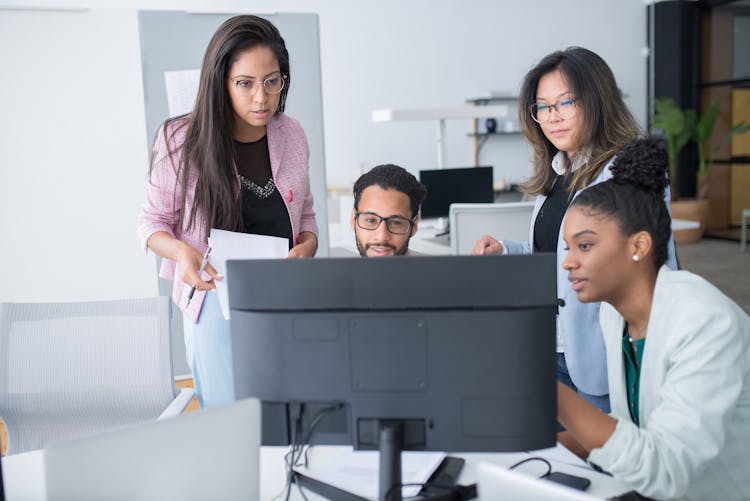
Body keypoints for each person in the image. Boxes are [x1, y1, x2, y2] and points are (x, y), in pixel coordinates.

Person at [472, 47, 677, 413]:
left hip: (602, 354)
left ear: (597, 101)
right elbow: (560, 253)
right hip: (553, 345)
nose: (552, 117)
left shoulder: (627, 172)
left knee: (606, 462)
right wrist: (508, 250)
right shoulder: (556, 171)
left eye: (566, 102)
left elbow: (657, 270)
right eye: (543, 107)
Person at [137, 15, 318, 408]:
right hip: (214, 303)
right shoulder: (180, 139)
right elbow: (151, 224)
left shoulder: (292, 133)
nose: (261, 98)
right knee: (230, 423)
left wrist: (309, 244)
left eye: (273, 81)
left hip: (283, 299)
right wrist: (182, 254)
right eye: (246, 83)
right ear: (221, 82)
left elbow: (304, 214)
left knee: (292, 420)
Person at [558, 137, 750, 500]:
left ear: (638, 246)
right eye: (568, 248)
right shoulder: (613, 316)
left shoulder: (705, 321)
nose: (568, 261)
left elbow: (667, 469)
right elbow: (629, 429)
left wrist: (549, 395)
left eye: (584, 245)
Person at [351, 164, 427, 257]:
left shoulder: (439, 271)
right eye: (371, 220)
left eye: (395, 223)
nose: (382, 237)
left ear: (414, 226)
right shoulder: (333, 271)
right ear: (353, 219)